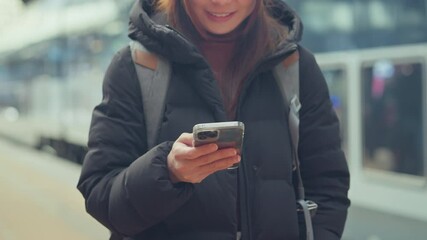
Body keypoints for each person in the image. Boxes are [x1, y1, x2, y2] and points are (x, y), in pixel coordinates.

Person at [77, 0, 350, 239]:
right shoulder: (135, 67)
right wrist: (168, 172)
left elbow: (327, 186)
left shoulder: (295, 67)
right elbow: (101, 195)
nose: (221, 2)